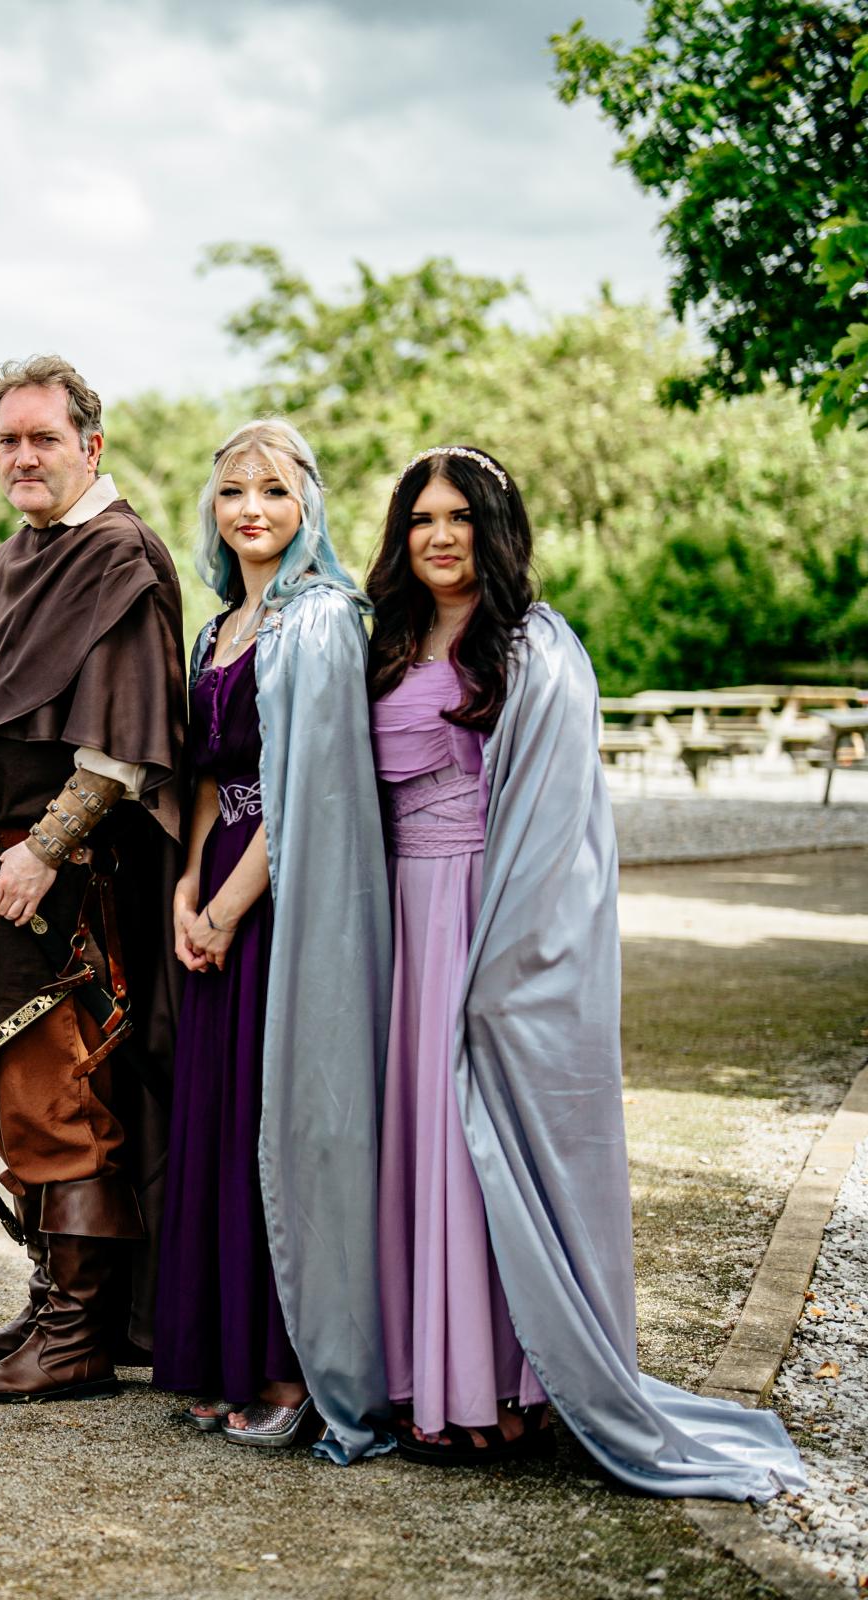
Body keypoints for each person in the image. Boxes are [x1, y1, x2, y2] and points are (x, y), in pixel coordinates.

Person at [368, 445, 802, 1498]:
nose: (439, 534)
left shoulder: (534, 647)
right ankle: (427, 1379)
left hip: (489, 917)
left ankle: (500, 1386)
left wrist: (502, 958)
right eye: (422, 516)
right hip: (396, 925)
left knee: (485, 1149)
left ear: (494, 529)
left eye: (461, 516)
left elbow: (561, 831)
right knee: (418, 1147)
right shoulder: (378, 644)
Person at [0, 355, 185, 1403]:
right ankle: (56, 1296)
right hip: (7, 861)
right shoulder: (9, 562)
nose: (22, 456)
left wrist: (38, 851)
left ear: (93, 444)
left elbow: (121, 749)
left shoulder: (119, 556)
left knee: (59, 1089)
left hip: (73, 875)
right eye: (7, 439)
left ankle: (80, 1334)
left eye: (43, 436)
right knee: (12, 1085)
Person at [147, 420, 388, 1460]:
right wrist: (187, 892)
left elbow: (309, 792)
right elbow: (209, 776)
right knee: (214, 1120)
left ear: (310, 508)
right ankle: (225, 1357)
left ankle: (292, 1367)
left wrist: (233, 905)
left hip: (290, 897)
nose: (250, 509)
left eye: (275, 492)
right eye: (232, 491)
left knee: (278, 1127)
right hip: (219, 886)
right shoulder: (217, 631)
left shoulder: (326, 620)